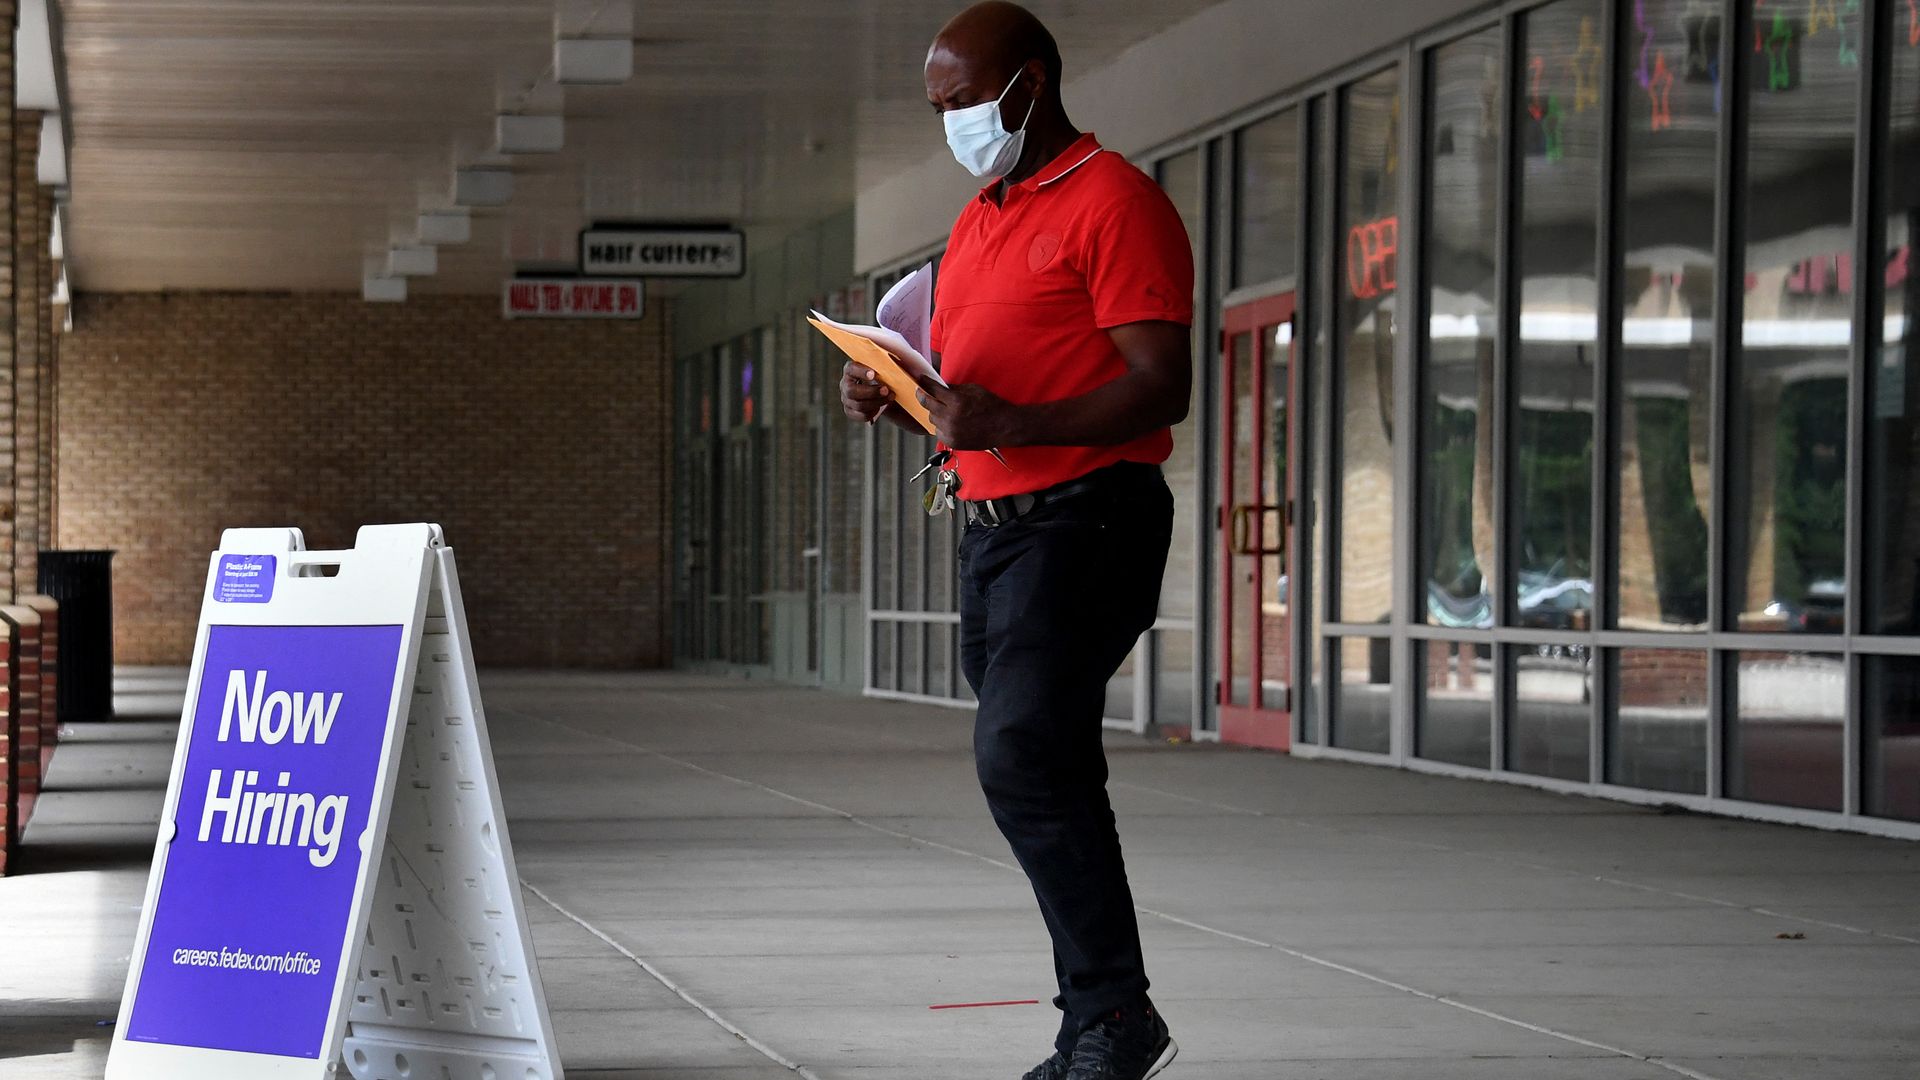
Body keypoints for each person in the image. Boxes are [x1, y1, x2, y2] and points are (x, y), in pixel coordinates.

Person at [840, 4, 1193, 1078]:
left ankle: (1116, 1018)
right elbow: (976, 398)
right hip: (995, 534)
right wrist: (895, 395)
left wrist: (1013, 425)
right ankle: (1098, 1023)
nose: (951, 124)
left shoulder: (1114, 203)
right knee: (1046, 772)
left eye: (964, 103)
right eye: (938, 108)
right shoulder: (981, 216)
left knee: (1021, 754)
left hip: (1086, 522)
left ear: (1029, 86)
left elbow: (1158, 386)